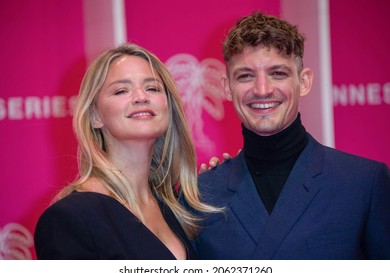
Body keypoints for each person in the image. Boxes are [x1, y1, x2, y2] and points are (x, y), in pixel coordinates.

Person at [185, 11, 390, 259]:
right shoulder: (199, 196)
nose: (262, 90)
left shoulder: (363, 183)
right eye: (246, 76)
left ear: (303, 82)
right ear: (227, 87)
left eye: (278, 73)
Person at [34, 43, 221, 260]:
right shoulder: (68, 218)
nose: (141, 97)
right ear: (95, 116)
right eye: (121, 90)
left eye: (152, 88)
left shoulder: (179, 209)